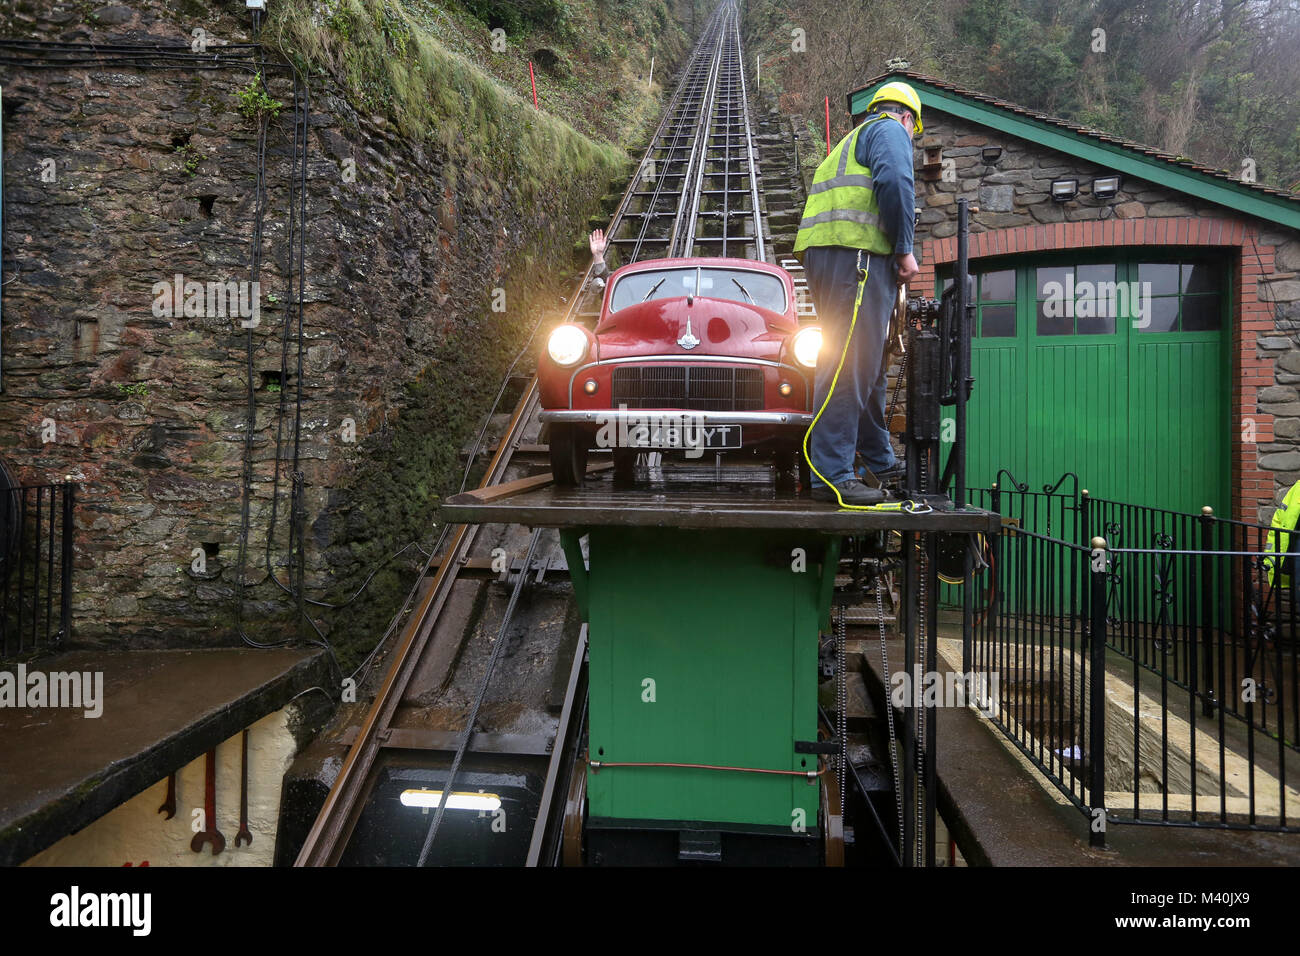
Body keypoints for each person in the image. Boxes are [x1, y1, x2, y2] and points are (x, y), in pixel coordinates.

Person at [795, 81, 922, 505]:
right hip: (857, 255)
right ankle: (830, 473)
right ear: (907, 118)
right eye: (914, 133)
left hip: (836, 256)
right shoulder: (888, 130)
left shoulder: (850, 141)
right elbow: (896, 181)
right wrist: (904, 250)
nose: (911, 140)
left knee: (864, 358)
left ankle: (876, 455)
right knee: (849, 360)